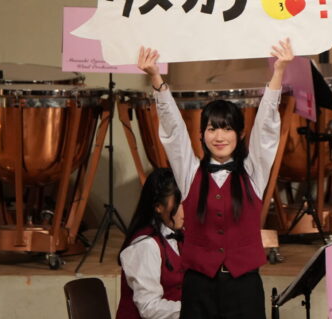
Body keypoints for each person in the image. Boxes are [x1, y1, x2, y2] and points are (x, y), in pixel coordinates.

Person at [137, 38, 293, 319]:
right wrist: (156, 78)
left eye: (227, 129)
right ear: (201, 135)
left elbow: (267, 130)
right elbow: (174, 133)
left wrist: (278, 71)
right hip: (199, 287)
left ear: (240, 135)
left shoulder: (253, 171)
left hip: (244, 286)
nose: (219, 137)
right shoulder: (190, 172)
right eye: (212, 129)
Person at [117, 167, 185, 319]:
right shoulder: (146, 245)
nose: (185, 210)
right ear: (158, 206)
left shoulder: (181, 235)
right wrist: (193, 309)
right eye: (178, 203)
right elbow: (149, 307)